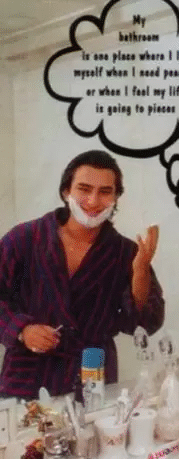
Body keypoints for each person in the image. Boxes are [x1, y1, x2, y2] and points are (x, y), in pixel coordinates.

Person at [0, 150, 165, 399]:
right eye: (84, 189)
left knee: (92, 424)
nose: (93, 201)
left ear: (116, 197)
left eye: (105, 192)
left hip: (92, 374)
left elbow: (143, 323)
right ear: (66, 191)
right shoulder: (24, 238)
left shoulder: (126, 252)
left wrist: (140, 272)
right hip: (26, 375)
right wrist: (22, 330)